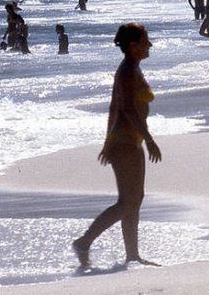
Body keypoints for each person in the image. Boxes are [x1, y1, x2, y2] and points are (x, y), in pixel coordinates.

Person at [72, 23, 162, 268]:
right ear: (133, 46)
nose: (150, 45)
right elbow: (127, 109)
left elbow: (113, 107)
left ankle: (132, 255)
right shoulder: (127, 72)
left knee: (135, 198)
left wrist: (106, 141)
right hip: (125, 142)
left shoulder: (132, 68)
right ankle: (83, 242)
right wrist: (150, 139)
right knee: (127, 202)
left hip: (128, 140)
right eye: (145, 40)